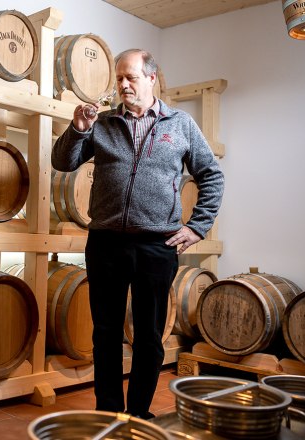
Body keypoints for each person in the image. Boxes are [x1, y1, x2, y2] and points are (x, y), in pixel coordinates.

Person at [52, 49, 223, 419]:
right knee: (106, 333)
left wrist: (198, 226)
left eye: (130, 77)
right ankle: (110, 412)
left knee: (148, 336)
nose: (123, 84)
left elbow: (211, 175)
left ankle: (139, 414)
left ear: (151, 78)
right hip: (106, 243)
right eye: (119, 79)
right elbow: (62, 163)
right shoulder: (103, 122)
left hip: (156, 246)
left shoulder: (180, 124)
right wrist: (78, 129)